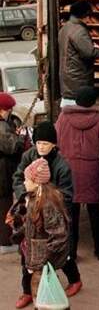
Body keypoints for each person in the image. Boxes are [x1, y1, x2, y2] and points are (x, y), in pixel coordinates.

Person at [13, 121, 82, 308]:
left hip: (51, 215)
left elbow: (67, 195)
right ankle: (27, 291)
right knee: (27, 255)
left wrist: (46, 201)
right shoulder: (29, 156)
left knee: (60, 254)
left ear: (54, 144)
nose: (41, 146)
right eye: (38, 142)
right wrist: (26, 196)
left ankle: (74, 280)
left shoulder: (61, 165)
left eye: (45, 143)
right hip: (31, 213)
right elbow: (18, 178)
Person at [55, 86, 99, 261]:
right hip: (91, 170)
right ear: (93, 101)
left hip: (68, 169)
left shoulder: (63, 118)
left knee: (71, 212)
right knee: (95, 211)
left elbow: (56, 141)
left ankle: (71, 252)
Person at [10, 162, 71, 307]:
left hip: (42, 257)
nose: (24, 182)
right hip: (37, 255)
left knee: (41, 292)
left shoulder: (47, 203)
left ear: (37, 182)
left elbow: (59, 234)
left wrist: (47, 258)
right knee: (40, 291)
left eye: (27, 179)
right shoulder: (33, 197)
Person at [58, 0, 99, 107]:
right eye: (88, 15)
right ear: (84, 15)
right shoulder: (79, 30)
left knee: (68, 113)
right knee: (80, 113)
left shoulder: (65, 28)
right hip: (78, 80)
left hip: (67, 78)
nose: (89, 19)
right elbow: (89, 53)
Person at [0, 92, 24, 254]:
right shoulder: (1, 126)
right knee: (4, 205)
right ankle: (5, 242)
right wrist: (21, 137)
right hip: (2, 172)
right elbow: (12, 147)